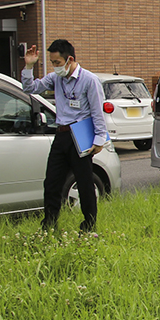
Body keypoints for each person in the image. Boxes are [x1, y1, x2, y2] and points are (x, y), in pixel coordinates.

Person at [21, 39, 107, 232]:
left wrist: (100, 139)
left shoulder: (89, 80)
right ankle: (49, 225)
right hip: (61, 134)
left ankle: (88, 226)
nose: (55, 67)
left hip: (81, 135)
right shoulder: (55, 78)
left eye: (57, 63)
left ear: (70, 59)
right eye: (52, 63)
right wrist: (28, 66)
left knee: (84, 183)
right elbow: (30, 88)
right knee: (51, 182)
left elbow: (97, 112)